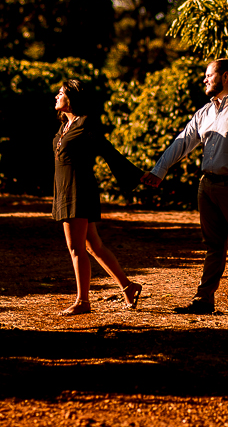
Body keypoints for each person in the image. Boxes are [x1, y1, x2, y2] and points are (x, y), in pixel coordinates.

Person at [141, 58, 228, 316]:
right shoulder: (204, 112)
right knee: (214, 245)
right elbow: (182, 142)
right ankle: (204, 300)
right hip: (208, 187)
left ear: (226, 76)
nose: (204, 79)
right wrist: (160, 171)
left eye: (208, 75)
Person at [52, 79, 144, 316]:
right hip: (65, 189)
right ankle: (128, 286)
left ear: (71, 97)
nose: (56, 96)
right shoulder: (65, 127)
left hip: (78, 190)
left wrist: (138, 175)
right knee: (94, 245)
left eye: (60, 93)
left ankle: (83, 301)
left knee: (76, 248)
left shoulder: (85, 124)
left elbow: (108, 151)